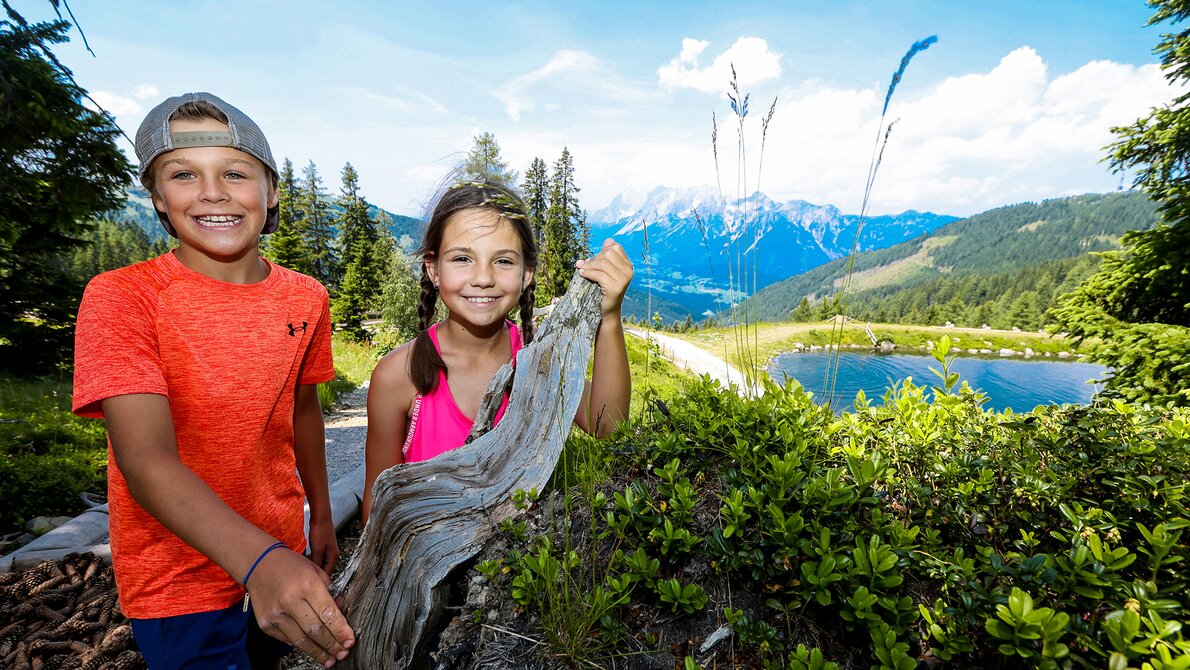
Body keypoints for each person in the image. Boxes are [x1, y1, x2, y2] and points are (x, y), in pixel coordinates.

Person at [72, 92, 354, 669]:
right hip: (176, 572)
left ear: (271, 190)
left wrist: (319, 515)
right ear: (156, 196)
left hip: (281, 542)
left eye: (234, 172)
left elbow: (302, 411)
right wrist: (259, 562)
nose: (212, 192)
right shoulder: (123, 298)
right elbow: (146, 458)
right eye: (183, 174)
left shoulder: (306, 296)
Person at [362, 180, 633, 524]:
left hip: (526, 570)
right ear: (433, 269)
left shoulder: (540, 360)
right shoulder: (398, 376)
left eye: (503, 261)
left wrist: (609, 318)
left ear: (526, 273)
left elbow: (608, 426)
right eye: (462, 258)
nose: (483, 278)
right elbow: (377, 509)